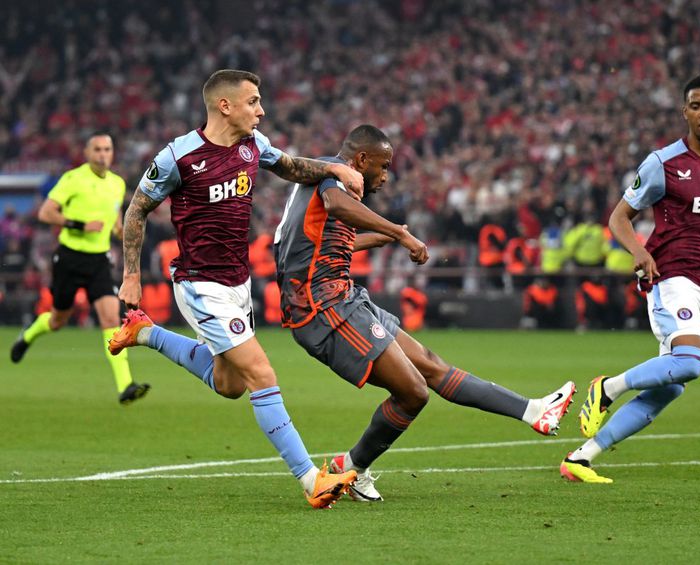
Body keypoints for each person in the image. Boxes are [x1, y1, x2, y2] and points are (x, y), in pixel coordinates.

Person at [274, 125, 576, 502]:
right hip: (324, 308)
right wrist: (399, 235)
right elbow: (338, 207)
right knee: (413, 393)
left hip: (343, 297)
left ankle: (533, 411)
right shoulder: (334, 174)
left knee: (431, 365)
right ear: (361, 160)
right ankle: (351, 468)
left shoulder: (321, 182)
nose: (385, 176)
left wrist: (383, 235)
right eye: (383, 167)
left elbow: (325, 245)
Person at [107, 69, 362, 508]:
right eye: (254, 102)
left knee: (230, 385)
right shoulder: (178, 157)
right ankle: (310, 480)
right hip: (199, 285)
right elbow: (137, 210)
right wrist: (132, 275)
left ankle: (144, 333)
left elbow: (291, 167)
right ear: (225, 106)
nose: (261, 111)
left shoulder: (253, 146)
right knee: (261, 375)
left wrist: (336, 169)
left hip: (237, 282)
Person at [561, 76, 700, 483]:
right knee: (690, 362)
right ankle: (608, 387)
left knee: (669, 387)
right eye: (696, 106)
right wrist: (639, 252)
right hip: (671, 278)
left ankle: (581, 459)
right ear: (684, 112)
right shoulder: (663, 163)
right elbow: (619, 217)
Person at [9, 133, 151, 404]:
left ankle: (126, 385)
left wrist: (120, 229)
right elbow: (45, 213)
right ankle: (28, 335)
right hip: (69, 258)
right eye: (97, 149)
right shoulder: (73, 179)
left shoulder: (117, 184)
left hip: (98, 260)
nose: (102, 154)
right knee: (57, 320)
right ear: (87, 152)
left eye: (107, 149)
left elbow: (114, 216)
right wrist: (79, 225)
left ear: (112, 153)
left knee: (111, 319)